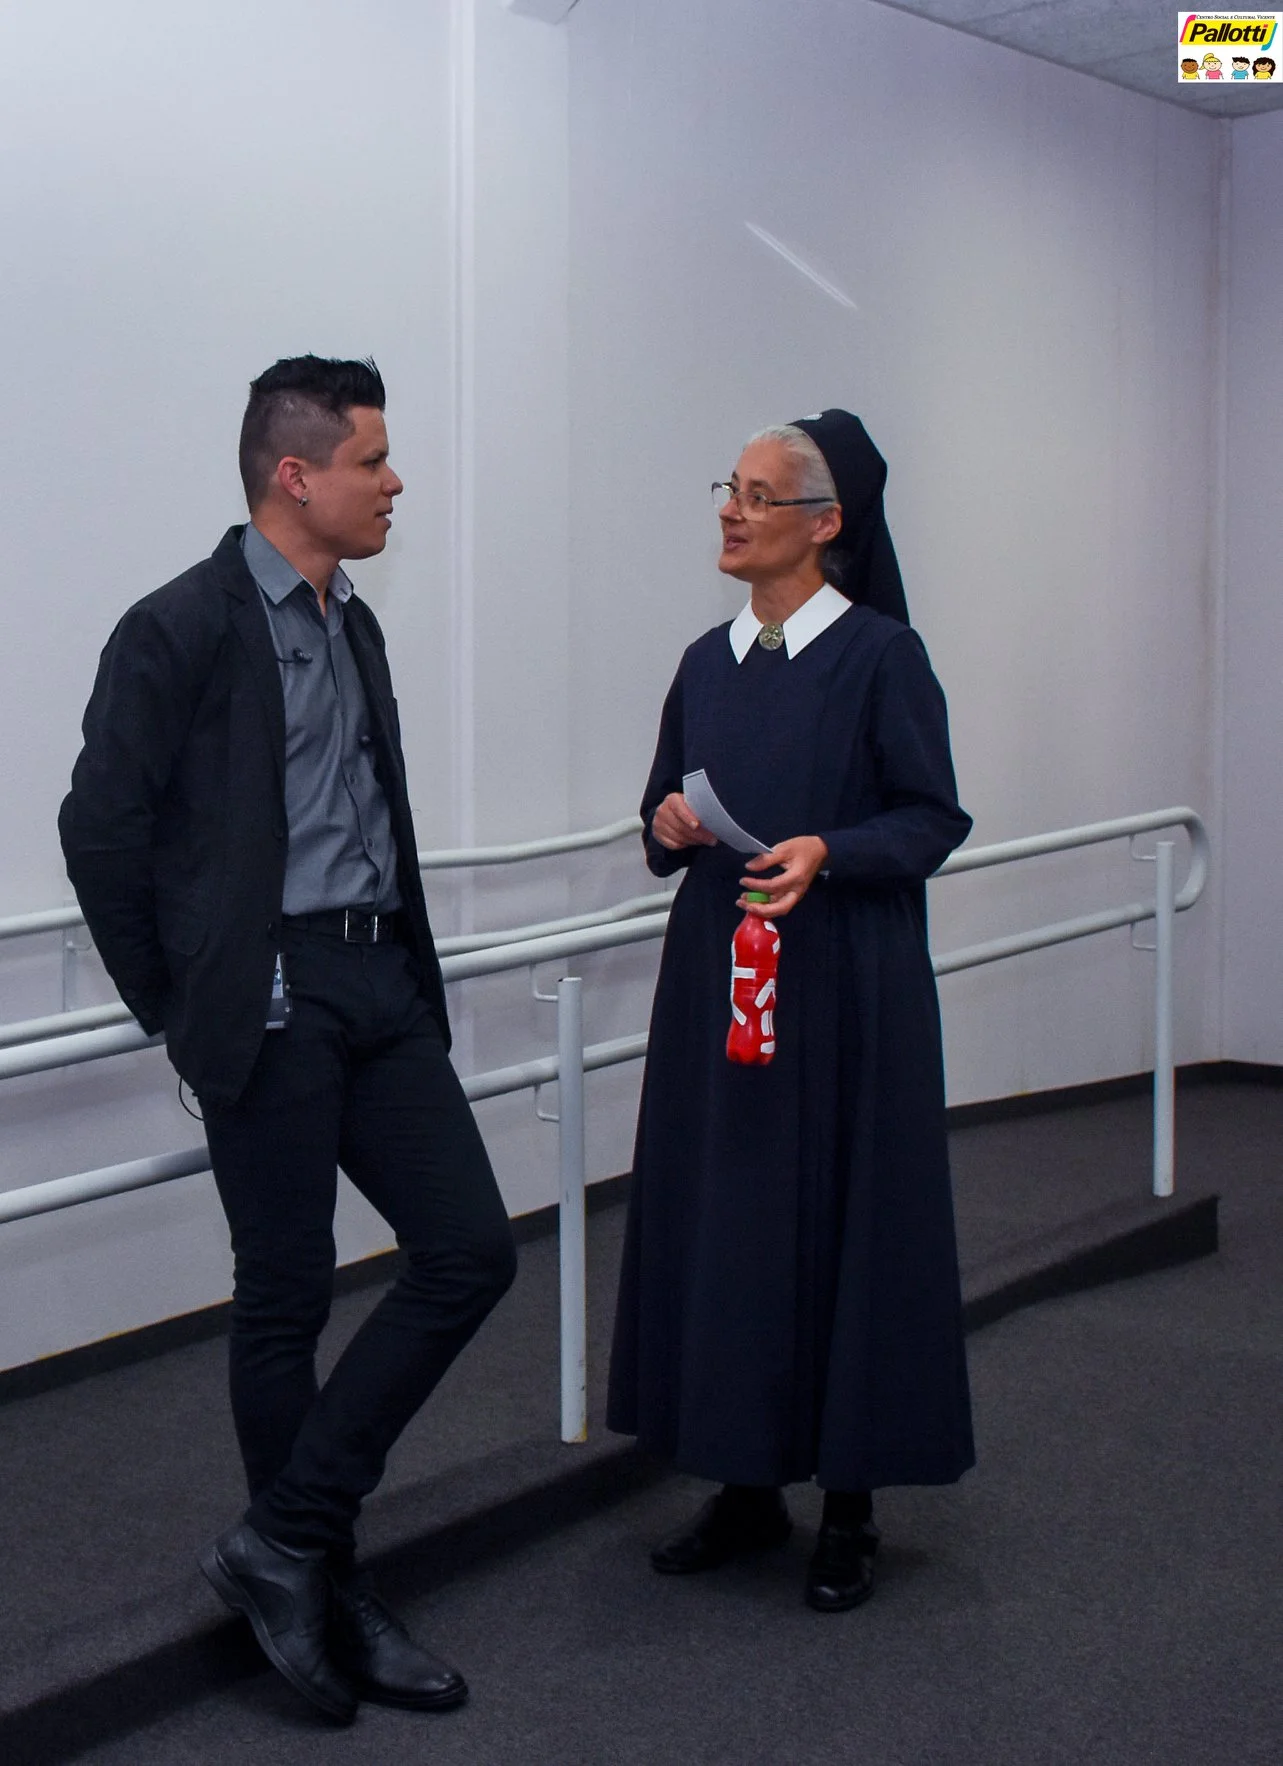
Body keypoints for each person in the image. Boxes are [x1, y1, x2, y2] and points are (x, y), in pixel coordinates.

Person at [59, 356, 517, 1724]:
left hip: (378, 980)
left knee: (469, 1249)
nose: (394, 483)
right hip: (268, 997)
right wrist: (185, 1001)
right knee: (285, 1293)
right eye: (373, 460)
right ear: (295, 475)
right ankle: (323, 1581)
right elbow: (101, 829)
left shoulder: (351, 622)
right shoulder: (179, 626)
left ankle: (284, 1541)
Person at [607, 410, 974, 1612]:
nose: (731, 509)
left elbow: (929, 816)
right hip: (719, 976)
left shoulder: (880, 657)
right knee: (730, 1221)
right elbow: (660, 805)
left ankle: (849, 1505)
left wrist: (832, 848)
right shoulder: (703, 660)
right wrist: (665, 822)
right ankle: (744, 1480)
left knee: (843, 1221)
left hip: (841, 980)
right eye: (729, 486)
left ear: (826, 524)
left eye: (759, 495)